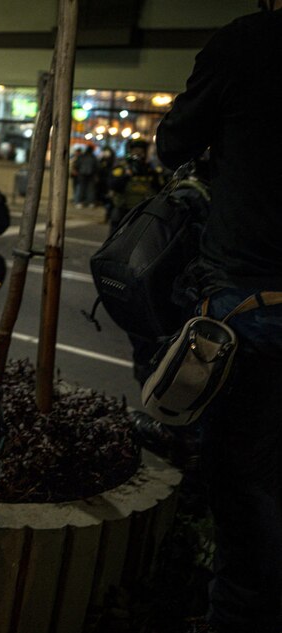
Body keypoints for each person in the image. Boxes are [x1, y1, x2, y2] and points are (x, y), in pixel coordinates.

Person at [155, 3, 282, 632]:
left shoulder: (250, 42)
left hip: (252, 301)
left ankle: (237, 618)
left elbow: (174, 142)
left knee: (244, 480)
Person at [107, 137, 165, 234]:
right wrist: (126, 175)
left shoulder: (150, 170)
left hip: (142, 211)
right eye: (135, 150)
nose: (138, 153)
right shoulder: (122, 168)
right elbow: (112, 185)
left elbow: (160, 188)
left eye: (141, 150)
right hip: (123, 210)